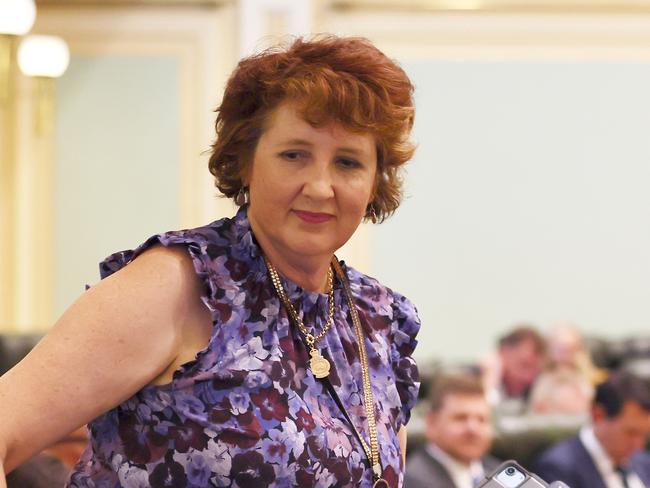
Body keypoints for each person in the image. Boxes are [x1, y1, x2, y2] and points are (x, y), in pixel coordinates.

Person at [0, 35, 421, 487]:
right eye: (294, 155)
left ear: (376, 180)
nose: (320, 187)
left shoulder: (379, 319)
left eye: (348, 162)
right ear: (245, 162)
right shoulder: (180, 284)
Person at [533, 371, 650, 488]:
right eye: (631, 433)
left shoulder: (643, 462)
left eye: (644, 434)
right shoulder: (559, 468)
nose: (638, 445)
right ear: (598, 415)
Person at [405, 373, 500, 488]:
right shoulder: (410, 481)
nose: (473, 429)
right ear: (431, 423)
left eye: (481, 420)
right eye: (461, 418)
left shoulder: (499, 472)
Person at [481, 325, 547, 414]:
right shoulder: (474, 378)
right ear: (504, 352)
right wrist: (490, 380)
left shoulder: (537, 386)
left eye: (535, 369)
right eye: (525, 365)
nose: (529, 377)